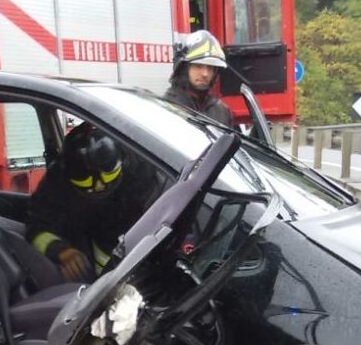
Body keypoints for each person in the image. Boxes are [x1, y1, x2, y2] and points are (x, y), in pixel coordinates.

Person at [26, 123, 153, 284]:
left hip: (140, 269)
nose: (99, 186)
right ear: (67, 172)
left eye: (108, 173)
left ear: (122, 161)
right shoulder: (56, 182)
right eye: (84, 179)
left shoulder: (142, 173)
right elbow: (36, 227)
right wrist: (61, 250)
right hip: (94, 283)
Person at [164, 30, 235, 128]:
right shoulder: (167, 108)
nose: (205, 74)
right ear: (183, 68)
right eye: (198, 66)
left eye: (210, 68)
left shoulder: (221, 111)